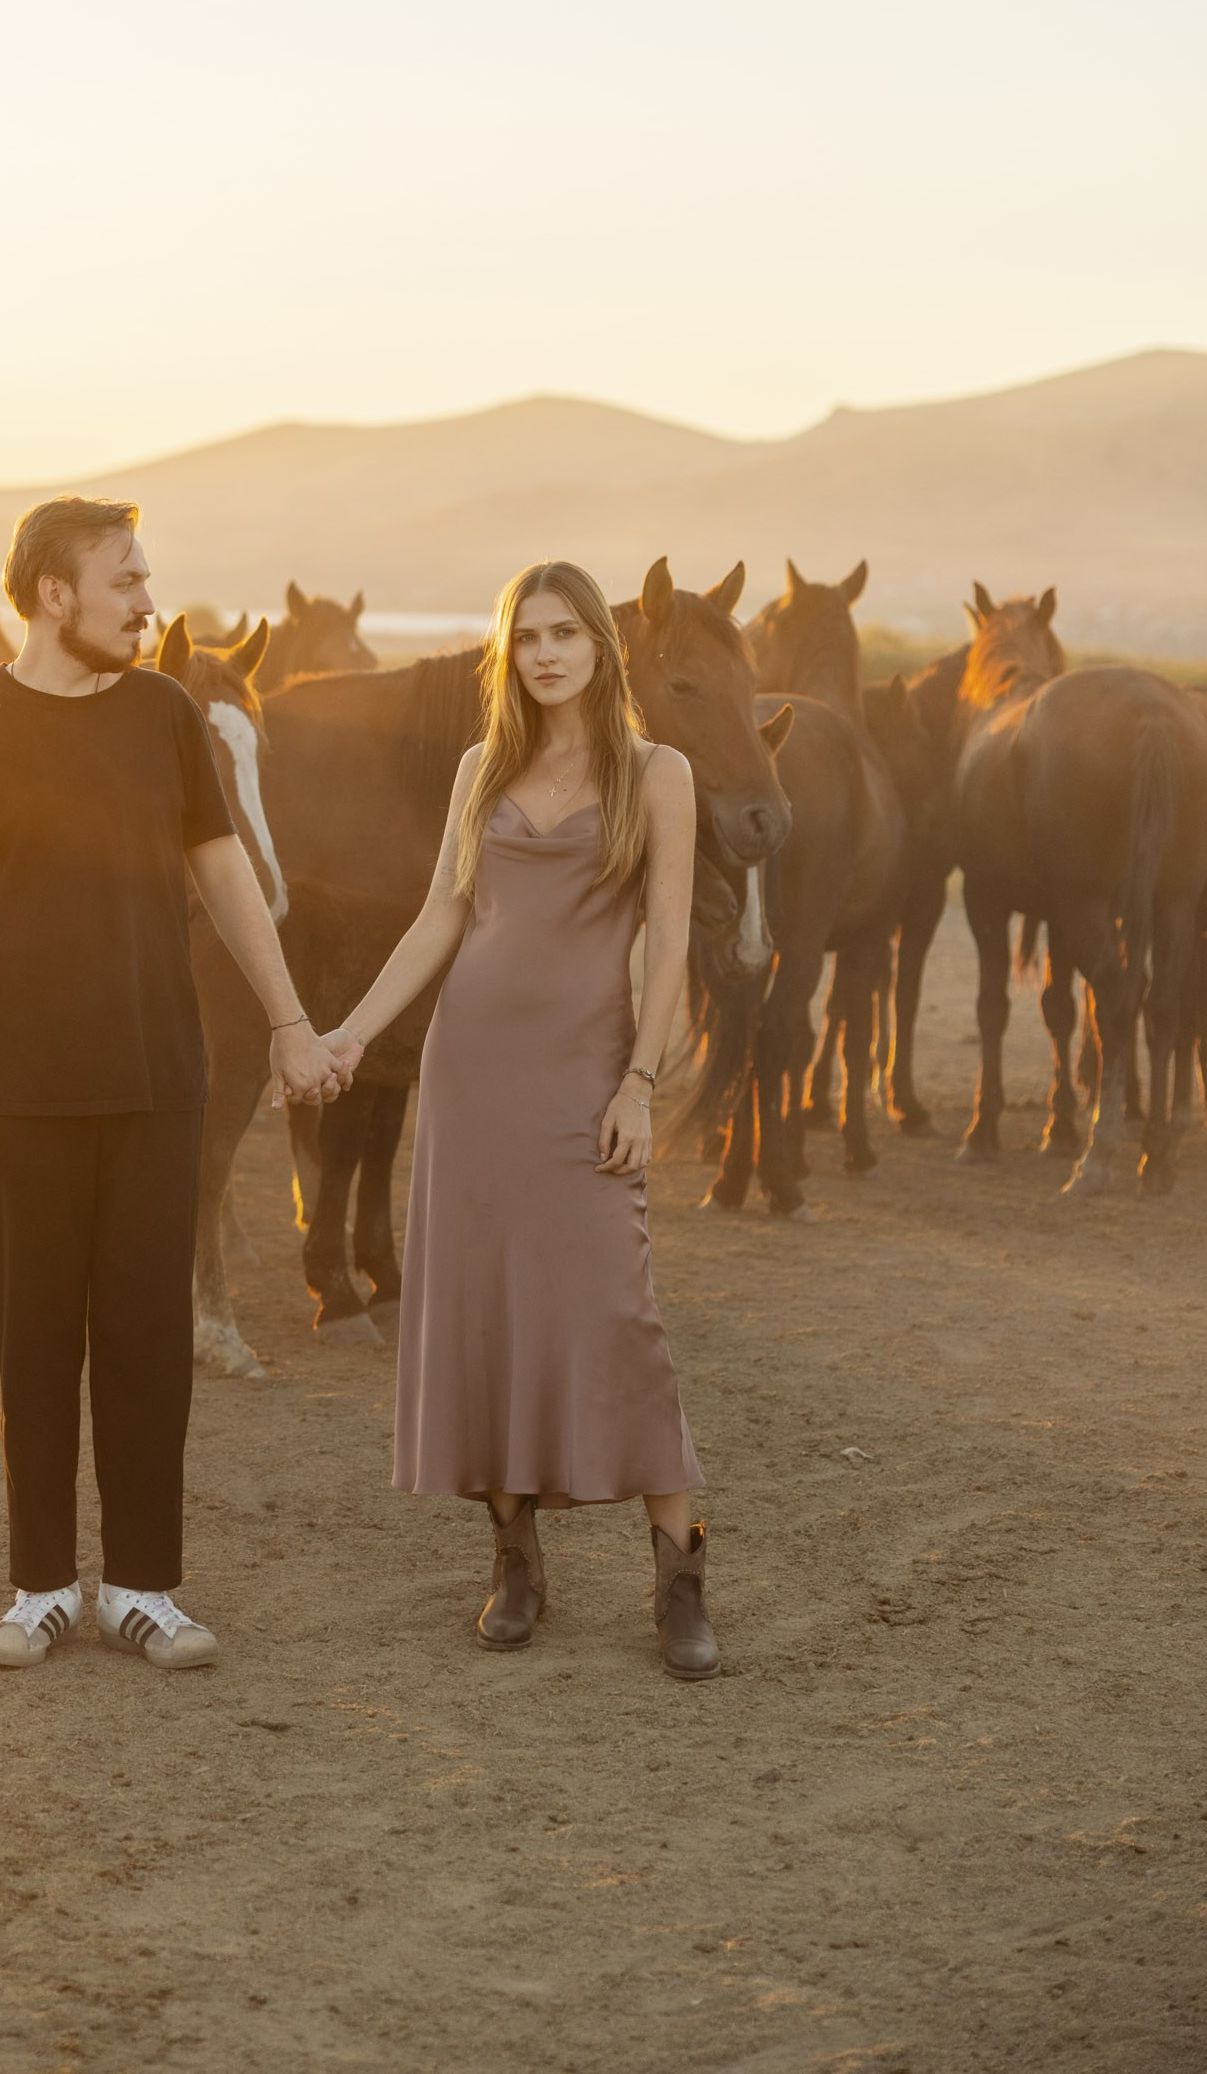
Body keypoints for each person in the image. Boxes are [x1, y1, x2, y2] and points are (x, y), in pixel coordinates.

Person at [0, 495, 351, 1674]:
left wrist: (292, 1021)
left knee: (148, 1342)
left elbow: (227, 876)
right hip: (18, 1096)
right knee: (35, 1344)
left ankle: (144, 1588)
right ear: (55, 594)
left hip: (158, 1082)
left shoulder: (163, 715)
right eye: (128, 581)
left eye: (146, 580)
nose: (150, 603)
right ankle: (41, 1587)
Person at [329, 559, 718, 1675]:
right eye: (526, 637)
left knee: (617, 1313)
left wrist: (641, 1082)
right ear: (510, 655)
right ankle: (514, 1557)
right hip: (473, 1076)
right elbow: (439, 919)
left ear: (603, 646)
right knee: (485, 1313)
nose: (545, 653)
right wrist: (352, 1034)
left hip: (589, 1075)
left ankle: (679, 1569)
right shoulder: (480, 767)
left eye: (565, 634)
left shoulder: (659, 773)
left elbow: (670, 942)